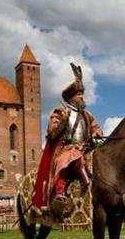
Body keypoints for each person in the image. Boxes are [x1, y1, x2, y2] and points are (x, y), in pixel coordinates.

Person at [31, 63, 103, 217]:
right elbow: (51, 132)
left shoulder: (87, 115)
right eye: (79, 95)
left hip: (85, 148)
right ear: (71, 97)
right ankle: (62, 191)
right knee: (69, 158)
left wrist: (97, 133)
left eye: (82, 94)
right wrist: (62, 122)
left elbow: (95, 127)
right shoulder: (61, 112)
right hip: (66, 149)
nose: (82, 97)